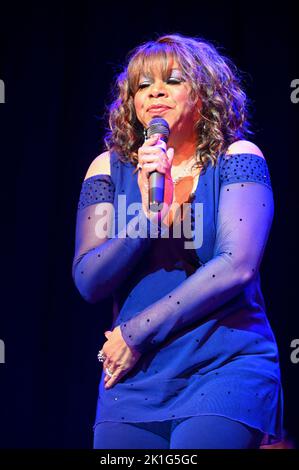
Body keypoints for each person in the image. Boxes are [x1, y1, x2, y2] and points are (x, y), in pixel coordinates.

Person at [72, 33, 283, 449]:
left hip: (223, 364)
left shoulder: (238, 157)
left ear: (203, 93)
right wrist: (150, 216)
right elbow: (89, 279)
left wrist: (134, 333)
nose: (156, 93)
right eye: (142, 86)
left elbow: (236, 264)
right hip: (133, 379)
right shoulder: (108, 168)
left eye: (172, 80)